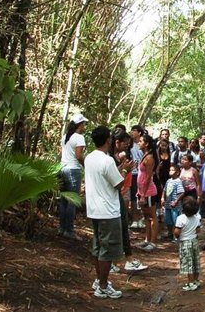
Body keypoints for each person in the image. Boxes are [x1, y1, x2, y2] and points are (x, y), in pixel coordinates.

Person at [85, 125, 124, 299]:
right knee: (107, 250)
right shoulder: (107, 161)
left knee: (98, 247)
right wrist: (125, 170)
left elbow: (105, 177)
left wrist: (120, 169)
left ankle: (99, 279)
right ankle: (102, 285)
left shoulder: (89, 158)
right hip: (108, 211)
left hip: (94, 209)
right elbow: (118, 184)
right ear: (108, 140)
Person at [109, 128, 148, 273]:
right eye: (125, 143)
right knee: (119, 227)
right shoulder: (109, 158)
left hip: (116, 195)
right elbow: (114, 179)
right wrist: (124, 170)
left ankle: (122, 260)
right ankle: (123, 260)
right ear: (117, 142)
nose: (127, 146)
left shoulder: (114, 157)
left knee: (122, 227)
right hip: (112, 197)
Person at [59, 113, 87, 239]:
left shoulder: (65, 136)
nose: (84, 126)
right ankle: (69, 230)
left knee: (64, 200)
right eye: (83, 124)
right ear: (80, 125)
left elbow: (62, 153)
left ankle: (62, 228)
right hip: (73, 170)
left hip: (63, 168)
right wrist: (86, 165)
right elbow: (79, 156)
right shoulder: (79, 138)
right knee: (72, 201)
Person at [174, 195, 202, 291]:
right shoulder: (197, 218)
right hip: (194, 241)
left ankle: (190, 283)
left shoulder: (181, 218)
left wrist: (176, 236)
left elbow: (177, 232)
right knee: (195, 262)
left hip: (185, 242)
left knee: (189, 263)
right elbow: (198, 230)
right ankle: (196, 280)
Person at [136, 133, 159, 251]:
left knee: (152, 216)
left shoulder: (149, 158)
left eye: (141, 141)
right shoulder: (144, 156)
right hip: (142, 191)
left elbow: (149, 177)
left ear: (147, 144)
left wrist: (143, 195)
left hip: (148, 192)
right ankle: (147, 240)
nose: (138, 143)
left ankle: (153, 242)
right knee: (146, 216)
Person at [163, 165, 185, 239]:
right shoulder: (168, 181)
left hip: (175, 206)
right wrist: (162, 198)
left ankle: (176, 235)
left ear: (177, 172)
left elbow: (182, 193)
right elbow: (164, 190)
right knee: (168, 220)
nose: (170, 171)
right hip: (167, 204)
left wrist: (176, 201)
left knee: (175, 220)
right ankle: (170, 233)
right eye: (170, 170)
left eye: (172, 170)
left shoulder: (178, 181)